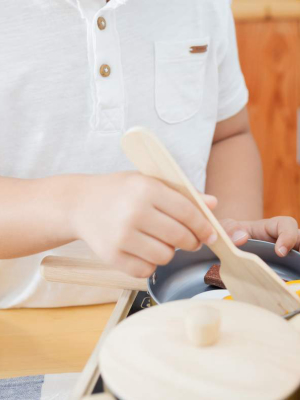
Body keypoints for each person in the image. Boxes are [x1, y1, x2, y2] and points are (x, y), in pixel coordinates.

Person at [0, 0, 299, 308]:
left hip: (186, 309)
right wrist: (73, 204)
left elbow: (228, 136)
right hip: (20, 324)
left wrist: (230, 242)